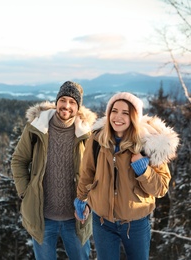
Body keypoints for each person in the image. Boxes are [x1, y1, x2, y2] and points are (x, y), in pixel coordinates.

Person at [74, 92, 179, 259]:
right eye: (114, 111)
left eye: (125, 113)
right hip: (102, 223)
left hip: (135, 224)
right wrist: (81, 199)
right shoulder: (96, 139)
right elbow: (87, 172)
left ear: (134, 117)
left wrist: (144, 171)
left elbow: (161, 188)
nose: (118, 117)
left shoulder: (149, 144)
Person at [11, 81, 97, 260]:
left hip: (76, 218)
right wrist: (25, 192)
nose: (66, 106)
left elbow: (96, 173)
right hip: (43, 217)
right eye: (63, 100)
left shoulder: (87, 134)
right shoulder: (37, 128)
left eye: (72, 102)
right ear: (57, 101)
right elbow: (19, 160)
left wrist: (88, 202)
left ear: (78, 106)